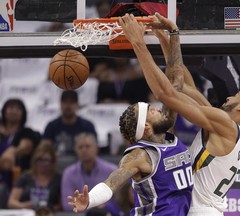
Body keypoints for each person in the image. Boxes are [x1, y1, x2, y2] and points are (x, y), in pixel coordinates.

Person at [119, 13, 240, 215]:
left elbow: (166, 94)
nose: (228, 98)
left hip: (200, 211)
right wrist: (166, 37)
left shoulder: (225, 125)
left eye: (235, 97)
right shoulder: (225, 128)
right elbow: (186, 85)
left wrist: (138, 43)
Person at [67, 17, 193, 215]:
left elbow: (175, 81)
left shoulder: (166, 127)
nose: (158, 109)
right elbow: (112, 182)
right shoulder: (139, 155)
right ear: (146, 128)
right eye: (151, 111)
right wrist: (90, 199)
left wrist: (173, 34)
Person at [61, 132, 117, 213]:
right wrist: (95, 206)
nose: (84, 150)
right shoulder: (68, 173)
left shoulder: (112, 170)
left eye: (88, 146)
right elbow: (67, 205)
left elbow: (119, 201)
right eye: (80, 147)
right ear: (75, 150)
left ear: (96, 148)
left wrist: (88, 205)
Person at [41, 90, 97, 158]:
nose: (68, 106)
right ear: (60, 104)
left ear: (77, 105)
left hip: (81, 162)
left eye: (71, 102)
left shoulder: (87, 126)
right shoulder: (51, 126)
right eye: (65, 102)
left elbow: (94, 149)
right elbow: (44, 149)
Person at [7, 143, 61, 211]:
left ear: (53, 162)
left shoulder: (58, 179)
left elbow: (62, 204)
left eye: (46, 160)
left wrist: (48, 208)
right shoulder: (26, 177)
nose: (43, 163)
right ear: (34, 160)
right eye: (40, 160)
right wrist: (24, 206)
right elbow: (11, 202)